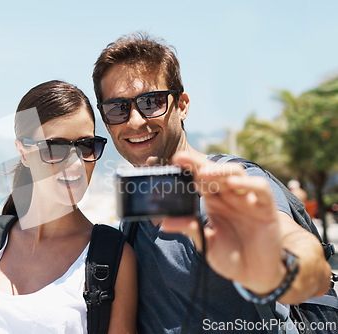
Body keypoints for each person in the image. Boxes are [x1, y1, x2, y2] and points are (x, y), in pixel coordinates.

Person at [92, 32, 331, 333]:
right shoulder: (136, 210)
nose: (135, 120)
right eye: (117, 108)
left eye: (151, 102)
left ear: (182, 105)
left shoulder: (229, 185)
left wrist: (275, 272)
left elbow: (305, 259)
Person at [0, 80, 137, 334]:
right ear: (22, 152)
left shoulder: (113, 256)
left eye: (86, 146)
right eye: (56, 148)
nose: (75, 164)